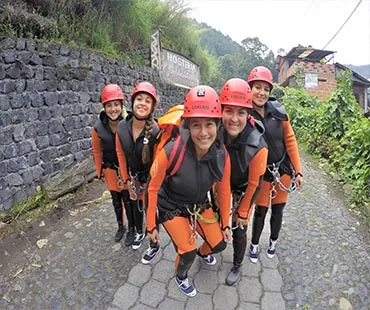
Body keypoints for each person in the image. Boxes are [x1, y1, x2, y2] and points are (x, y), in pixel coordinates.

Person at [146, 85, 232, 297]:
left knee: (219, 244)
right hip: (171, 207)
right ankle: (181, 276)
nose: (203, 133)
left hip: (199, 205)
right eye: (196, 125)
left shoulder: (222, 154)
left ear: (218, 124)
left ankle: (203, 254)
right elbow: (152, 188)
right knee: (187, 252)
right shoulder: (171, 151)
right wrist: (150, 226)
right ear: (187, 126)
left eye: (209, 124)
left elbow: (224, 190)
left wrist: (226, 223)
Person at [246, 66, 304, 263]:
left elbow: (290, 140)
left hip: (282, 170)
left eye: (265, 89)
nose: (261, 93)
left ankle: (273, 242)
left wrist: (298, 171)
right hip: (262, 174)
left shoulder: (279, 112)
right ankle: (254, 244)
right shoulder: (243, 116)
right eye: (257, 87)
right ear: (250, 89)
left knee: (278, 211)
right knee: (260, 212)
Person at [219, 78, 268, 286]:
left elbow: (255, 183)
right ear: (220, 110)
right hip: (221, 182)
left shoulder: (258, 145)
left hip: (244, 187)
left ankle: (237, 263)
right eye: (229, 111)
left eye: (241, 112)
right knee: (216, 219)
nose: (234, 119)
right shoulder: (216, 131)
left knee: (239, 226)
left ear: (248, 114)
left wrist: (243, 211)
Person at [115, 81, 161, 264]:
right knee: (135, 207)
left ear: (152, 107)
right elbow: (120, 152)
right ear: (132, 102)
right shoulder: (121, 128)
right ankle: (140, 232)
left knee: (150, 209)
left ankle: (154, 244)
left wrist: (154, 184)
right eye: (139, 99)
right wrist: (125, 177)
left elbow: (159, 160)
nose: (142, 103)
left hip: (149, 179)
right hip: (133, 178)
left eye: (147, 101)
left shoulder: (156, 130)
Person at [91, 84, 128, 242]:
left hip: (127, 171)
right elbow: (97, 151)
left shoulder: (129, 123)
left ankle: (133, 227)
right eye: (109, 105)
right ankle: (121, 226)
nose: (113, 109)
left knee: (129, 200)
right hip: (111, 170)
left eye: (116, 105)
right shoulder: (98, 128)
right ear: (104, 107)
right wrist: (99, 171)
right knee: (116, 201)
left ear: (121, 105)